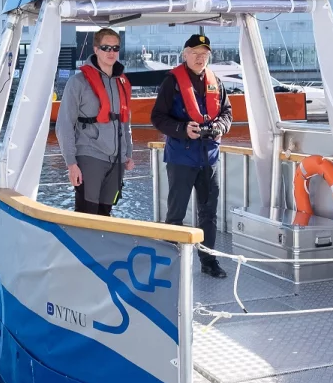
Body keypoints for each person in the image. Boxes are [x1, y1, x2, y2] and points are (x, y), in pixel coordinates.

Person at [151, 34, 232, 278]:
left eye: (204, 53)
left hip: (209, 159)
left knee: (209, 214)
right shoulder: (172, 82)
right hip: (181, 158)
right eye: (195, 52)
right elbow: (158, 117)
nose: (199, 57)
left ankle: (209, 262)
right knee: (176, 213)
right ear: (184, 54)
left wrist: (220, 127)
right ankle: (170, 264)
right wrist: (182, 129)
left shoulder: (215, 81)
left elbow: (227, 113)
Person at [56, 28, 134, 216]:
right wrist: (71, 163)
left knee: (106, 213)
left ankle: (102, 246)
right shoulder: (78, 82)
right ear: (96, 49)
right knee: (86, 214)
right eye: (106, 47)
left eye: (115, 48)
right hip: (89, 156)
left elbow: (125, 121)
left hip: (116, 161)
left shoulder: (121, 83)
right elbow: (64, 124)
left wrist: (128, 153)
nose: (111, 52)